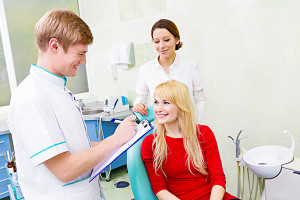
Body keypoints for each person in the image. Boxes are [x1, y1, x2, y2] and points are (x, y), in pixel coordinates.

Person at [7, 9, 137, 200]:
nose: (84, 61)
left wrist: (121, 142)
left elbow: (76, 146)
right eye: (80, 53)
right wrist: (114, 140)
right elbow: (64, 169)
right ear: (55, 46)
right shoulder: (31, 97)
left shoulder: (58, 89)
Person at [141, 80, 239, 200]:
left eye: (166, 103)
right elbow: (159, 189)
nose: (158, 109)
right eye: (156, 102)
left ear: (181, 106)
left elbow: (218, 177)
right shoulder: (151, 143)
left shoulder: (204, 133)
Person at [133, 19, 205, 123]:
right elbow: (140, 100)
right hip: (159, 130)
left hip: (186, 128)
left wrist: (198, 125)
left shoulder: (191, 66)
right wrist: (139, 106)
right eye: (157, 41)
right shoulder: (146, 70)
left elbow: (200, 100)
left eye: (166, 40)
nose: (161, 46)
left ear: (176, 39)